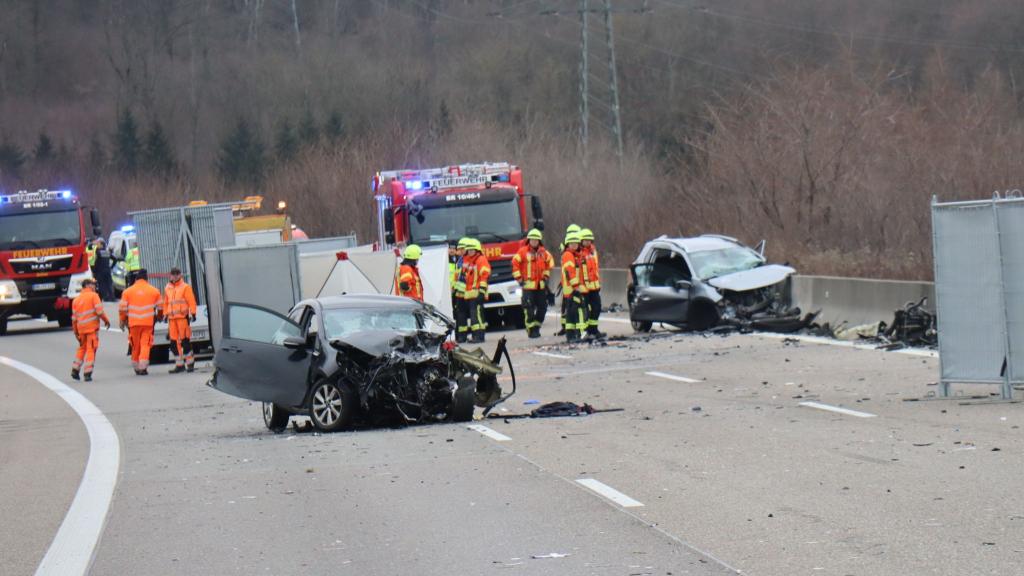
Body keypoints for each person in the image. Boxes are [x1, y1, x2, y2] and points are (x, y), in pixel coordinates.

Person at [512, 228, 554, 339]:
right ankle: (531, 330)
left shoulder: (544, 253)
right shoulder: (522, 252)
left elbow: (550, 263)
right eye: (532, 240)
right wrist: (519, 279)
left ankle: (537, 327)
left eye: (536, 240)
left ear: (539, 241)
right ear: (529, 240)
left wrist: (546, 276)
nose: (534, 242)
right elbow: (515, 264)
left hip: (540, 286)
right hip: (527, 286)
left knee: (542, 308)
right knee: (528, 309)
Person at [119, 269, 162, 375]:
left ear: (136, 279)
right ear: (146, 279)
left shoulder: (127, 292)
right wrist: (159, 317)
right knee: (145, 345)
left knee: (135, 345)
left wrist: (122, 320)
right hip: (147, 323)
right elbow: (160, 307)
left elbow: (123, 309)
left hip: (133, 324)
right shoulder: (154, 291)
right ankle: (143, 367)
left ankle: (136, 366)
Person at [71, 278, 111, 381]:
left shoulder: (76, 300)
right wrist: (106, 320)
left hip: (81, 329)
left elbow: (74, 319)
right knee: (91, 349)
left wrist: (76, 332)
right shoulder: (94, 296)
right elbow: (99, 312)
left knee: (82, 348)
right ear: (88, 285)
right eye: (93, 284)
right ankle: (87, 373)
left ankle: (75, 369)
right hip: (91, 329)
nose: (94, 286)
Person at [163, 267, 198, 373]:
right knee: (173, 343)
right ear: (170, 275)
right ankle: (179, 365)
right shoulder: (168, 287)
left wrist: (193, 313)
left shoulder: (185, 287)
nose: (174, 276)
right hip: (172, 319)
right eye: (173, 274)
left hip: (183, 318)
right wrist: (165, 314)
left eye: (176, 274)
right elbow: (166, 302)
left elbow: (191, 300)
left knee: (185, 342)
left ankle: (190, 363)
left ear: (180, 275)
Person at [461, 239, 491, 343]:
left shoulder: (480, 260)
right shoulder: (468, 261)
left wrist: (482, 291)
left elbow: (485, 275)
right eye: (468, 250)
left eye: (472, 250)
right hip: (471, 295)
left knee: (477, 315)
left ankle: (479, 336)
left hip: (478, 293)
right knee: (474, 316)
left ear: (477, 250)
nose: (470, 252)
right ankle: (476, 336)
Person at [579, 228, 606, 339]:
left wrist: (598, 284)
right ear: (581, 241)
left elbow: (595, 269)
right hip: (584, 288)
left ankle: (593, 329)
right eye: (585, 240)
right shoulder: (578, 253)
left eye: (589, 240)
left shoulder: (593, 251)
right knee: (585, 310)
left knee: (597, 307)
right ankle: (585, 331)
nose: (587, 242)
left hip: (594, 286)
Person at [555, 224, 582, 336]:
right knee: (569, 308)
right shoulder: (567, 251)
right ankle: (567, 329)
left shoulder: (573, 247)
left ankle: (569, 328)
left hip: (569, 282)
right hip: (570, 283)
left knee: (568, 308)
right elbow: (569, 268)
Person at [560, 231, 585, 343]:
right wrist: (576, 286)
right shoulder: (568, 255)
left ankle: (570, 335)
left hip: (571, 289)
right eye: (572, 243)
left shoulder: (576, 255)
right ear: (567, 244)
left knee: (571, 313)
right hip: (572, 289)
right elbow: (570, 271)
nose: (574, 245)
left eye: (576, 243)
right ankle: (578, 333)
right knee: (577, 311)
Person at [453, 238, 471, 343]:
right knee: (461, 315)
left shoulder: (468, 260)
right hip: (459, 292)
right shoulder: (459, 260)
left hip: (468, 292)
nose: (460, 251)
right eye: (459, 249)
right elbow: (457, 276)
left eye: (462, 249)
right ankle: (462, 336)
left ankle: (470, 335)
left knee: (471, 314)